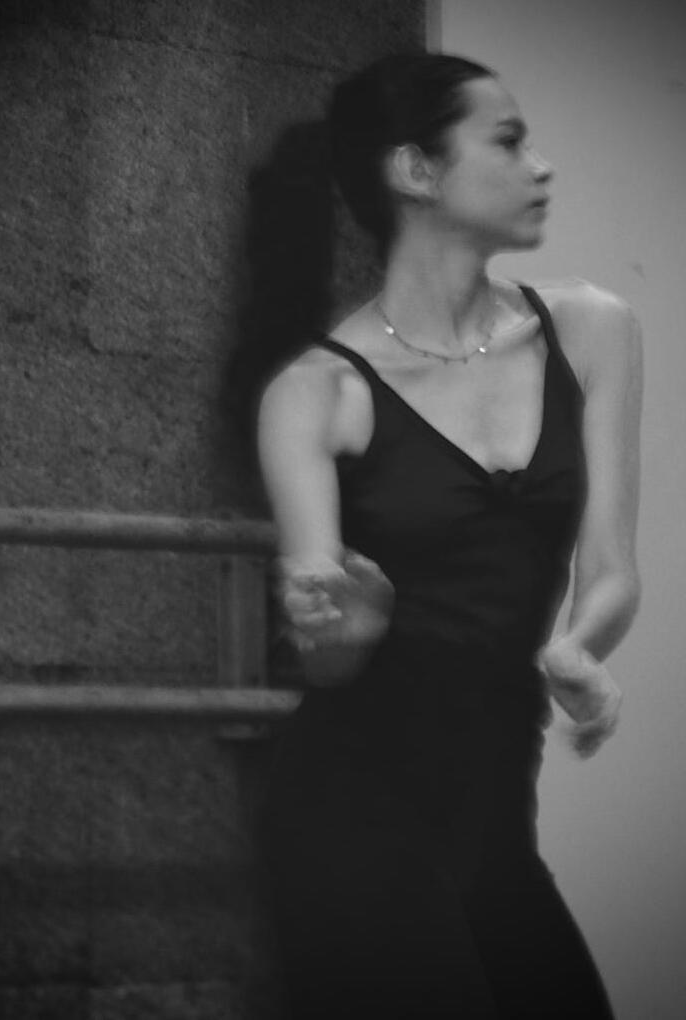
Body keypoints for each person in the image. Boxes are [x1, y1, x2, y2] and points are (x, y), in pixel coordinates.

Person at [253, 52, 641, 1019]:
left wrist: (579, 647)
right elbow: (326, 654)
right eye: (507, 141)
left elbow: (611, 568)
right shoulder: (313, 392)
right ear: (415, 170)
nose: (540, 165)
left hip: (493, 824)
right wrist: (349, 626)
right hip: (347, 819)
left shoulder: (592, 329)